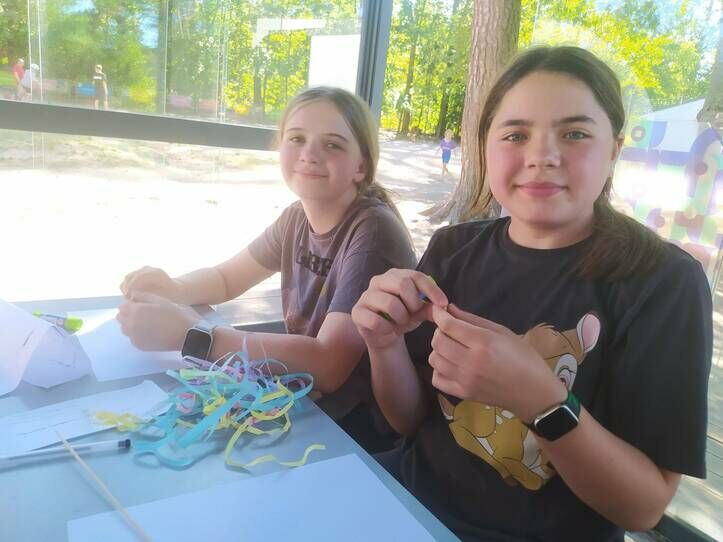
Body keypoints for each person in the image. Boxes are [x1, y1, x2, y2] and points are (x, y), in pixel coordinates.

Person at [351, 46, 712, 541]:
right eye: (516, 135)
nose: (542, 156)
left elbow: (643, 509)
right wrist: (383, 343)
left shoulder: (662, 282)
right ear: (486, 147)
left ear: (614, 150)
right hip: (410, 507)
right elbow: (409, 420)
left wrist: (539, 398)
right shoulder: (452, 250)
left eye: (575, 133)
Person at [118, 86, 417, 453]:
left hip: (358, 431)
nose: (309, 154)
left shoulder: (373, 233)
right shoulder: (295, 218)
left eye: (332, 145)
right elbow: (226, 279)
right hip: (304, 399)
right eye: (297, 138)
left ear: (361, 166)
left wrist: (193, 336)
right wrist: (173, 289)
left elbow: (330, 364)